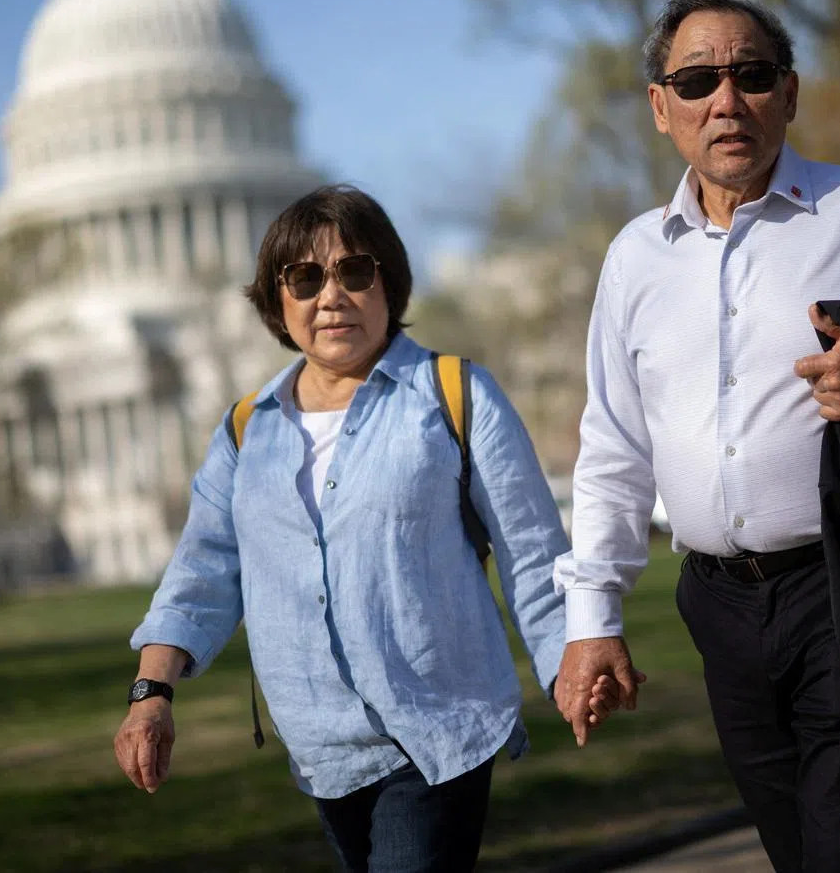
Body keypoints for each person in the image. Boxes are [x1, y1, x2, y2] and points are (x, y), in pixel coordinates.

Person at [551, 0, 840, 872]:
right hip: (719, 609)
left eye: (750, 75)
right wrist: (591, 620)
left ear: (790, 92)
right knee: (798, 853)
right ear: (661, 107)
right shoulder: (635, 257)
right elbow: (614, 450)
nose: (727, 100)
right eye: (699, 80)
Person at [113, 185, 574, 873]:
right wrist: (151, 697)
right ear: (278, 304)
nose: (331, 295)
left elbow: (532, 552)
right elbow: (202, 573)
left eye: (355, 271)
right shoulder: (247, 430)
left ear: (391, 283)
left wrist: (572, 661)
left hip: (436, 726)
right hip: (321, 747)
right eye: (304, 278)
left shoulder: (455, 394)